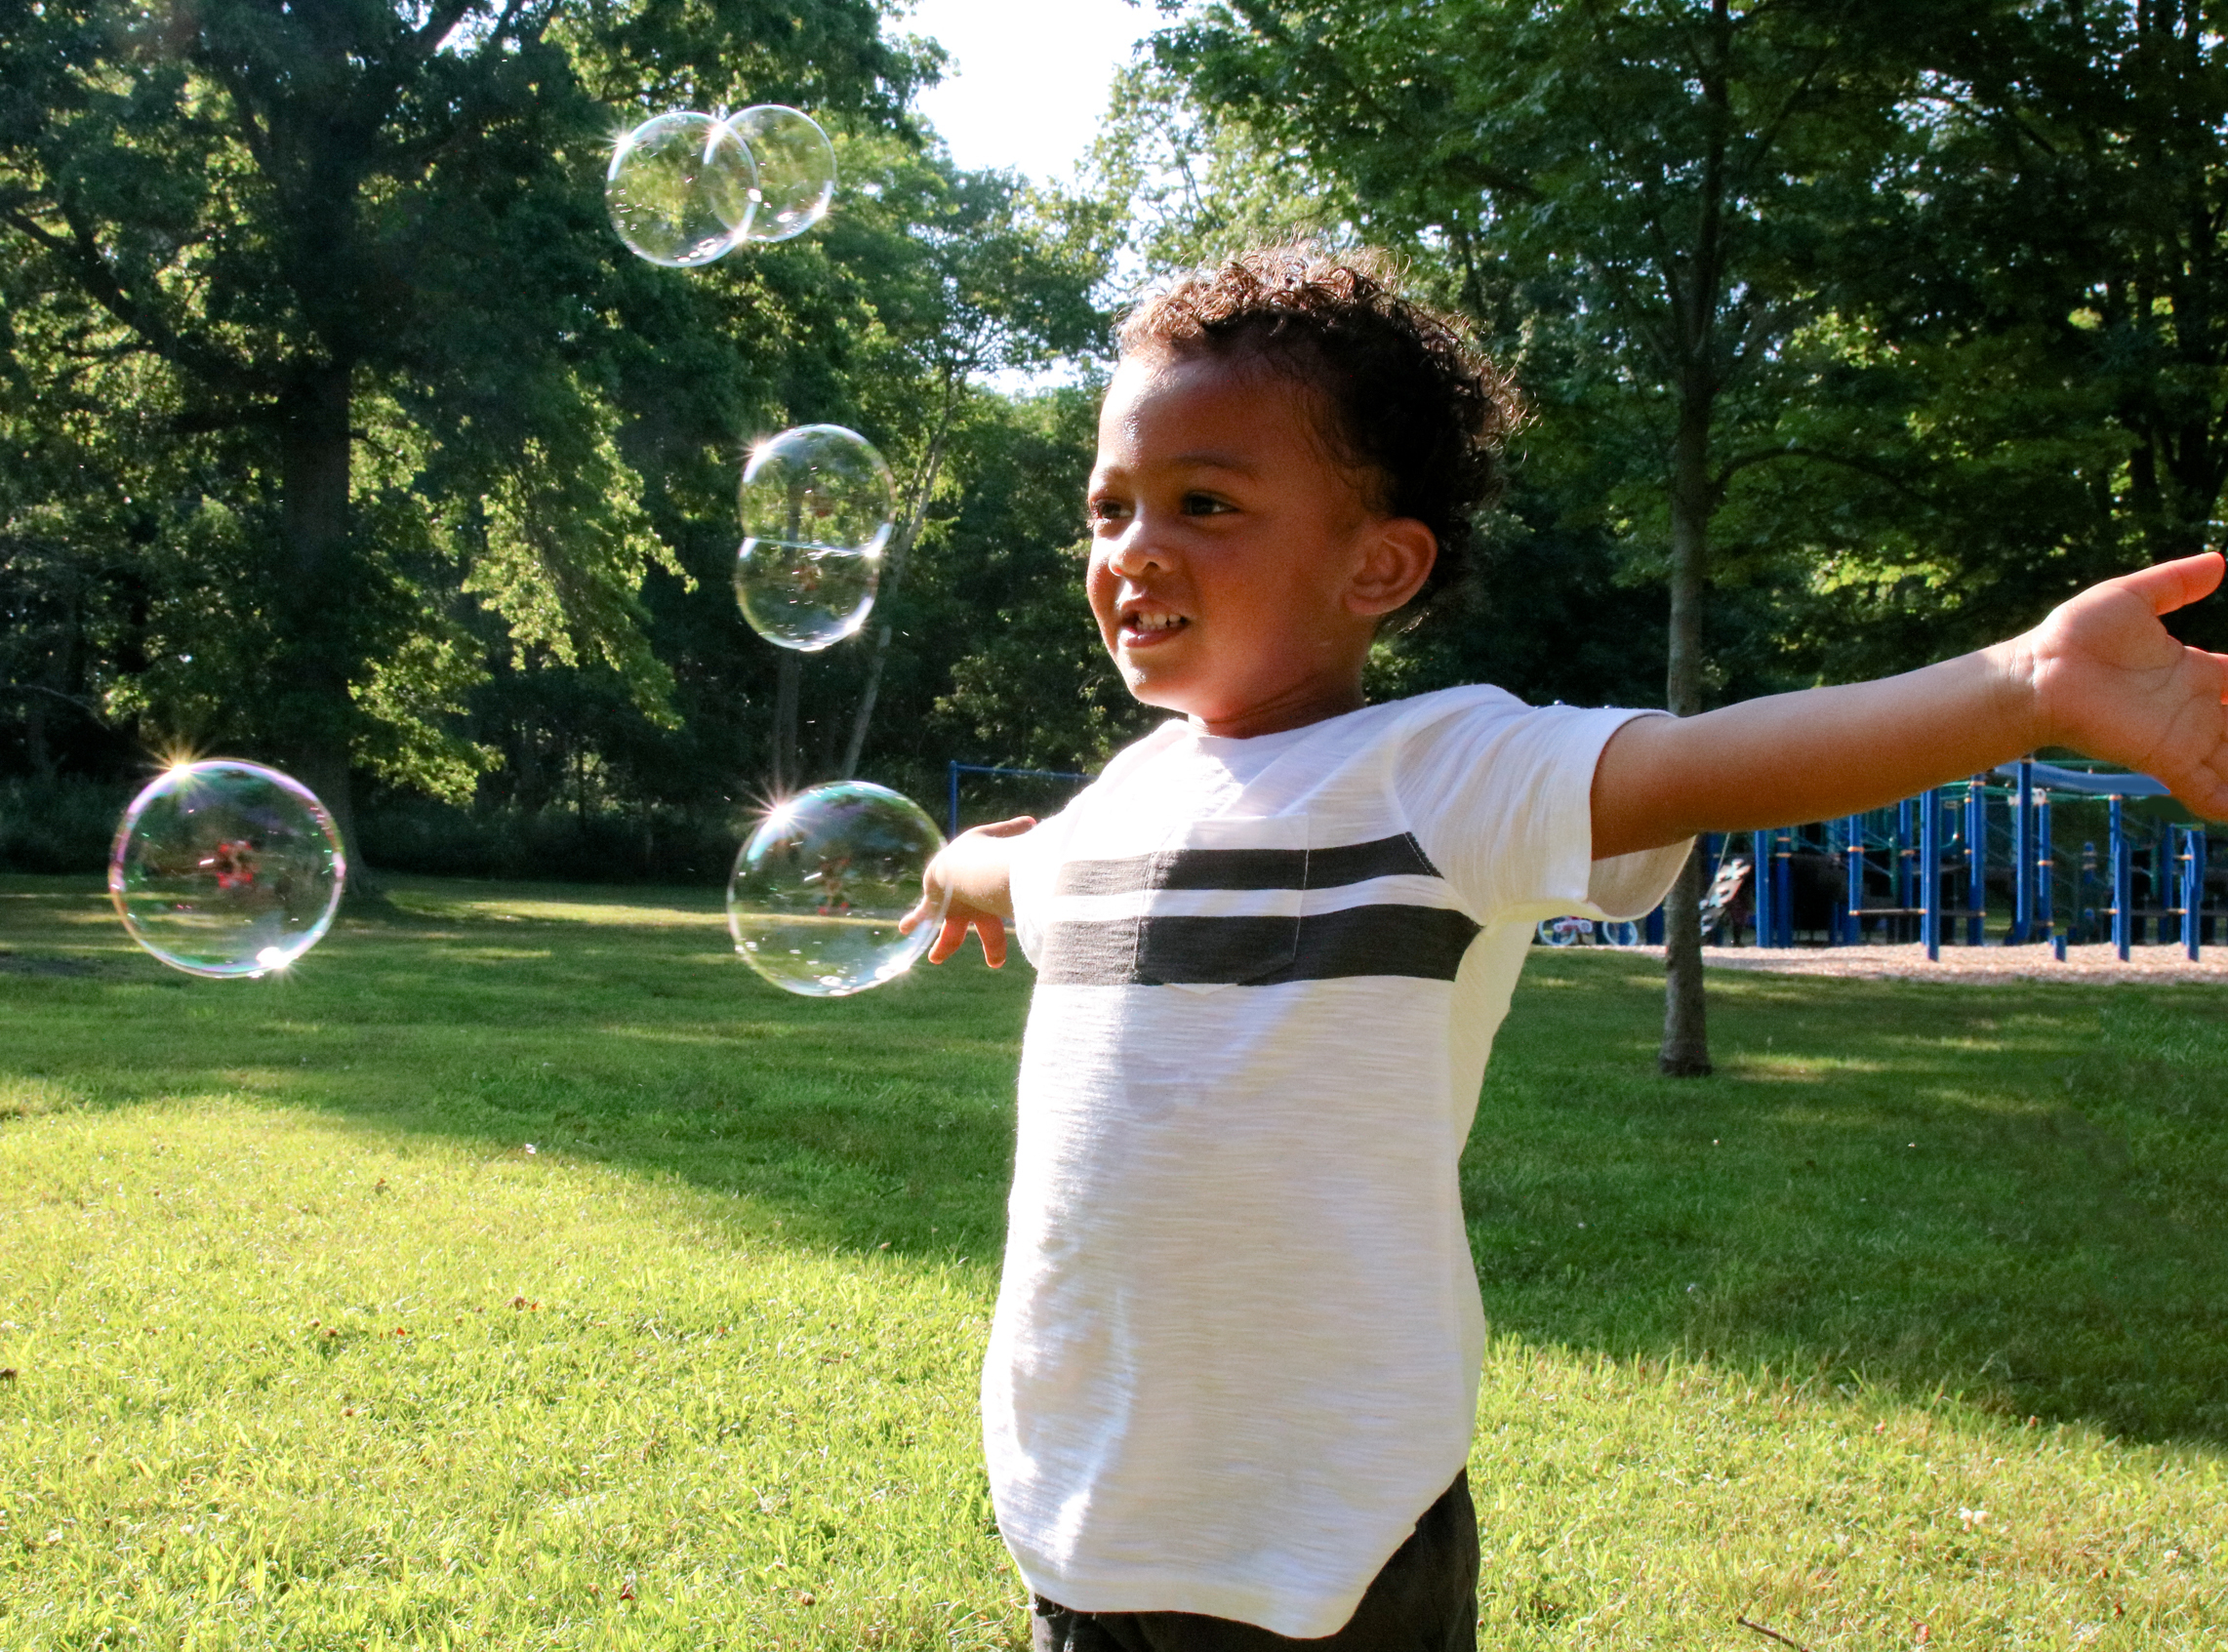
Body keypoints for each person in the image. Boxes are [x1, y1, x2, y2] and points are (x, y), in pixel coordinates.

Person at [909, 244, 2228, 1652]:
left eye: (1204, 502)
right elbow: (1018, 869)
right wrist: (955, 864)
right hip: (1086, 1508)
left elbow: (1717, 759)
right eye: (1108, 507)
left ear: (1380, 564)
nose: (1132, 549)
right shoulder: (1123, 795)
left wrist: (2025, 685)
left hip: (1323, 1532)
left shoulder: (1442, 770)